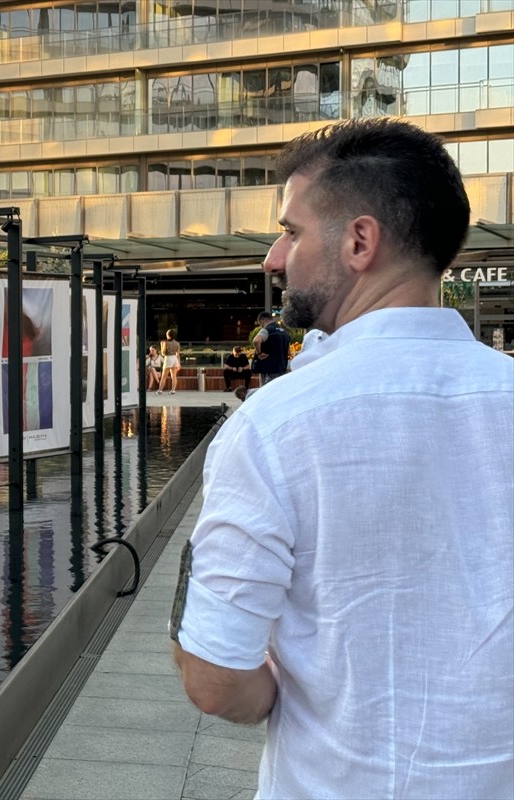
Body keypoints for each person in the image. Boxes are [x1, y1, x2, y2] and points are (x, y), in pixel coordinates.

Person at [170, 118, 513, 798]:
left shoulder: (274, 428)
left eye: (292, 231)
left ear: (359, 241)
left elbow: (215, 679)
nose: (273, 257)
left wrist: (292, 691)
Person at [250, 310, 289, 385]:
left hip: (268, 368)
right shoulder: (284, 332)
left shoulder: (267, 330)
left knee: (266, 392)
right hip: (281, 367)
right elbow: (288, 351)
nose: (261, 326)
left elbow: (256, 341)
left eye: (260, 324)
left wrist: (259, 353)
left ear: (262, 321)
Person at [158, 329, 181, 395]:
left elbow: (163, 353)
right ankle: (173, 390)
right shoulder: (177, 343)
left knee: (164, 376)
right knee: (174, 376)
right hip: (174, 358)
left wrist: (161, 345)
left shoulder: (165, 342)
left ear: (167, 335)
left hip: (168, 358)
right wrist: (178, 363)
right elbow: (178, 354)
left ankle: (160, 390)